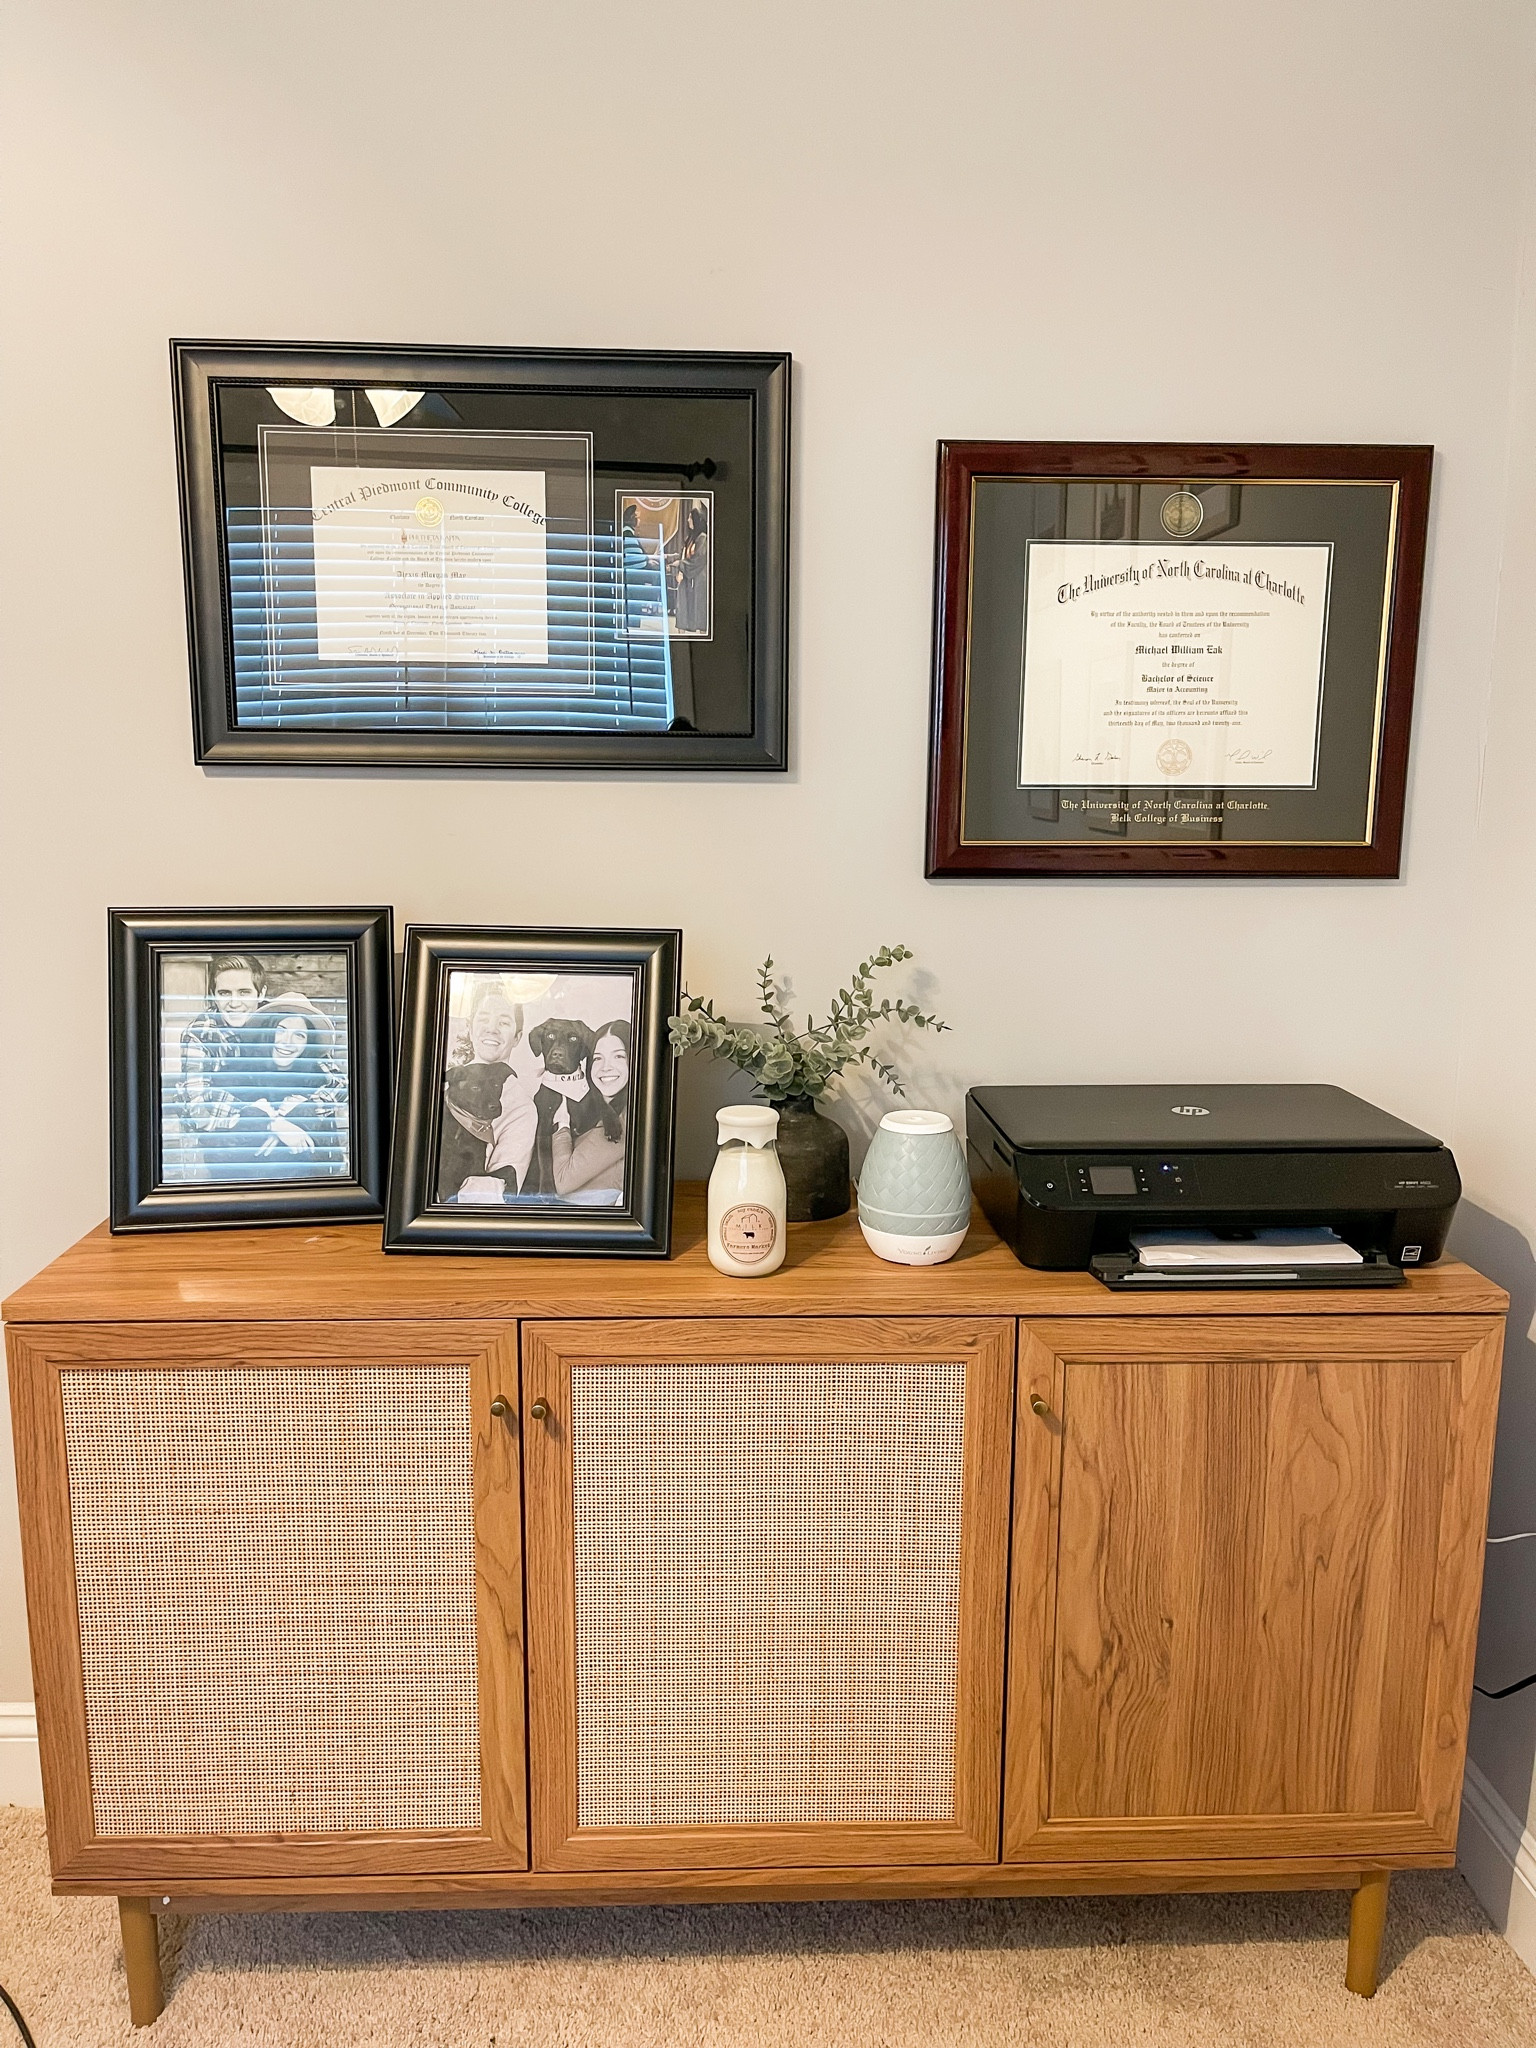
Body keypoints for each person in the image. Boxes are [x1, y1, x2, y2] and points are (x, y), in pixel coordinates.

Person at [202, 995, 347, 1179]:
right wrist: (268, 1122)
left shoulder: (316, 1083)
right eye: (281, 1030)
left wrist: (296, 1117)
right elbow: (218, 1155)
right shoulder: (238, 1075)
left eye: (299, 1035)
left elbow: (328, 1159)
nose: (288, 1041)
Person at [439, 983, 538, 1202]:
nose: (491, 1029)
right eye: (483, 1019)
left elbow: (494, 1193)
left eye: (504, 1022)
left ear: (517, 1037)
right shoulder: (442, 1084)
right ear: (470, 1027)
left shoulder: (521, 1109)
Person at [175, 954, 269, 1155]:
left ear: (261, 993)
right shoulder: (199, 1034)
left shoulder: (282, 1021)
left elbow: (333, 1083)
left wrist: (290, 1115)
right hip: (227, 1144)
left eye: (244, 992)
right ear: (213, 995)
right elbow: (198, 1107)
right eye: (225, 993)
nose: (234, 1003)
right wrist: (267, 1118)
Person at [551, 1020, 629, 1204]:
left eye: (618, 1056)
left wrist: (561, 1126)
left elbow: (563, 1180)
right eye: (598, 1058)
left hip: (583, 1216)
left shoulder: (626, 1119)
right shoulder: (597, 1109)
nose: (606, 1067)